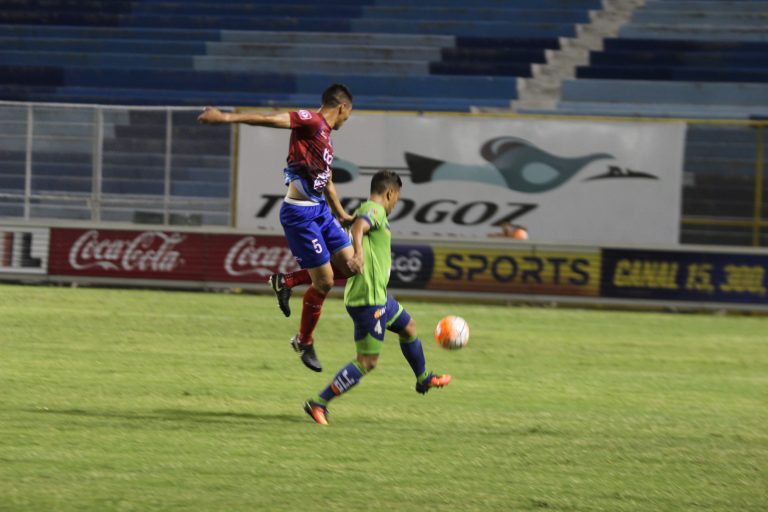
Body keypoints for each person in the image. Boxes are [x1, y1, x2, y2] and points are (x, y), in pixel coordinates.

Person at [198, 84, 356, 373]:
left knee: (351, 265)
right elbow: (270, 119)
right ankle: (303, 341)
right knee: (324, 282)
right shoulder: (311, 121)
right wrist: (225, 118)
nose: (347, 119)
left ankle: (287, 282)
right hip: (300, 214)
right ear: (343, 107)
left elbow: (328, 180)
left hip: (321, 210)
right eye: (349, 114)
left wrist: (342, 213)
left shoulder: (325, 138)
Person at [303, 170, 452, 426]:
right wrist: (359, 253)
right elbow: (359, 226)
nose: (395, 204)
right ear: (390, 193)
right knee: (367, 362)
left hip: (379, 296)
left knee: (408, 327)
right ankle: (319, 403)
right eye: (397, 199)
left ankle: (423, 378)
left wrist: (340, 209)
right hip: (368, 300)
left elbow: (354, 222)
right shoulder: (375, 210)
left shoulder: (366, 209)